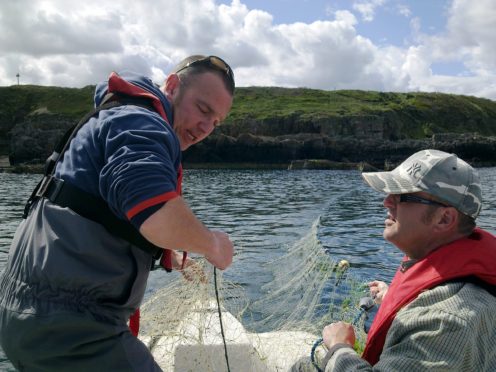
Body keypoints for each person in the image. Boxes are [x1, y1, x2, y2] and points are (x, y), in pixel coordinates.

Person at [0, 55, 236, 371]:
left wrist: (174, 258)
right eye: (203, 109)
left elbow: (99, 211)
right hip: (72, 327)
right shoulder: (143, 123)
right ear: (172, 86)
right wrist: (213, 244)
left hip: (27, 315)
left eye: (216, 121)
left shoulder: (116, 115)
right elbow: (154, 210)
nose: (206, 128)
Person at [319, 149, 496, 371]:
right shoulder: (451, 292)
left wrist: (339, 348)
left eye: (402, 195)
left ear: (444, 219)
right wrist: (394, 297)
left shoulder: (444, 321)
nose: (386, 202)